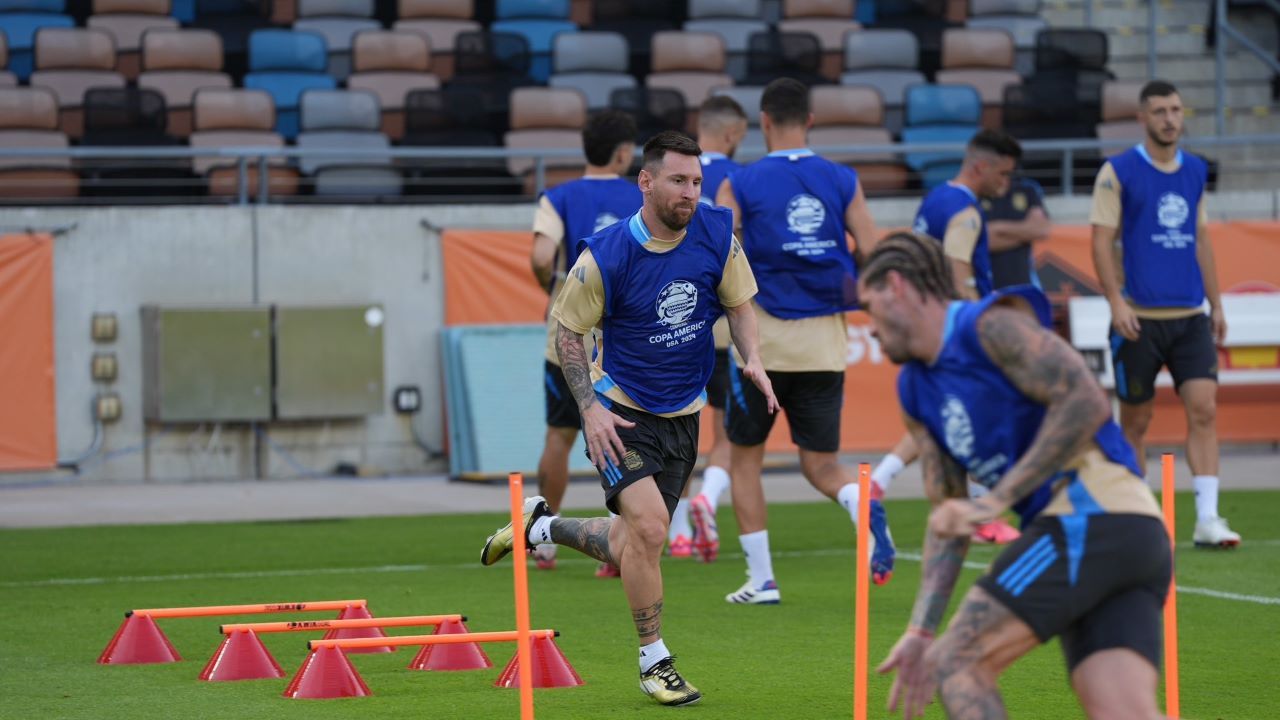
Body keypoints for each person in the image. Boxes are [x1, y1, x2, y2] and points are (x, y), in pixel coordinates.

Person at [481, 131, 778, 707]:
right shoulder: (606, 254)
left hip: (682, 414)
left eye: (696, 181)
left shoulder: (717, 232)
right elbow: (568, 334)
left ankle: (539, 527)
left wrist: (755, 358)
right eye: (678, 181)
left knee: (630, 543)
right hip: (619, 411)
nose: (691, 192)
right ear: (646, 181)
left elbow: (739, 304)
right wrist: (588, 409)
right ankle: (654, 661)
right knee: (647, 530)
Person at [864, 232, 1171, 720]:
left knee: (957, 663)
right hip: (1122, 536)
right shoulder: (916, 390)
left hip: (1095, 518)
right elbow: (949, 518)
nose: (870, 328)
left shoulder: (990, 326)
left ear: (896, 286)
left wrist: (996, 500)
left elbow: (1086, 399)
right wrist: (921, 630)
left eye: (869, 305)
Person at [714, 77, 893, 602]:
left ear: (764, 122)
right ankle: (861, 504)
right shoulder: (842, 178)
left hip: (760, 346)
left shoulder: (740, 183)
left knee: (745, 459)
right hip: (826, 343)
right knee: (821, 465)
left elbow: (721, 250)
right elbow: (876, 252)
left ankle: (762, 579)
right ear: (809, 121)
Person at [1089, 79, 1240, 548]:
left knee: (1205, 409)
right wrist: (1115, 300)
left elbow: (1200, 239)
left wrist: (1216, 303)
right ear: (1142, 118)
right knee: (1135, 423)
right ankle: (1140, 515)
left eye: (1176, 109)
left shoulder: (1195, 170)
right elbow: (1100, 239)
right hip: (1139, 320)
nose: (1170, 118)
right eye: (1160, 111)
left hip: (1189, 317)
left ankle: (1208, 519)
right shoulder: (1117, 172)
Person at [871, 130, 1027, 546]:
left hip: (927, 324)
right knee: (978, 414)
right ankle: (981, 516)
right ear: (981, 167)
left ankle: (881, 481)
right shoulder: (967, 212)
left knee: (940, 415)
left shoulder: (936, 198)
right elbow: (959, 272)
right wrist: (977, 324)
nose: (1005, 184)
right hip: (953, 329)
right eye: (1003, 174)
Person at [529, 109, 643, 574]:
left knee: (559, 436)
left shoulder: (559, 196)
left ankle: (545, 541)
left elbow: (540, 255)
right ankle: (622, 544)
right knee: (625, 441)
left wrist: (555, 290)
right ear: (622, 153)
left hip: (569, 337)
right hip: (623, 341)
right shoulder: (641, 194)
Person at [667, 94, 750, 562]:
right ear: (734, 132)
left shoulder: (671, 180)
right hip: (724, 327)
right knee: (725, 433)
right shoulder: (739, 180)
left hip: (680, 329)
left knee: (678, 433)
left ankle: (677, 530)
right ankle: (708, 499)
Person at [985, 175, 1051, 290]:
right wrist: (1025, 235)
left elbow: (1042, 229)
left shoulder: (1027, 188)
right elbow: (983, 240)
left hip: (1023, 283)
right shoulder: (978, 193)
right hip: (987, 285)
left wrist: (997, 227)